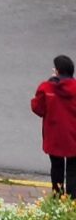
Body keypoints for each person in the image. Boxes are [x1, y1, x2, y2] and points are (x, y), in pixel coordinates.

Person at [31, 55, 76, 197]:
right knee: (73, 169)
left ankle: (57, 196)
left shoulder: (46, 88)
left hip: (54, 135)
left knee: (56, 167)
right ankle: (72, 199)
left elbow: (38, 108)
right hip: (73, 135)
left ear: (57, 71)